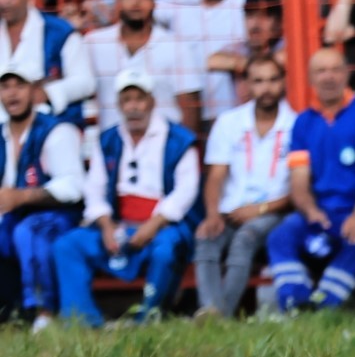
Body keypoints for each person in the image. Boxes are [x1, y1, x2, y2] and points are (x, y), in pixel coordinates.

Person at [53, 70, 201, 328]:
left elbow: (185, 191)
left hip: (162, 223)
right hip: (119, 223)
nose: (133, 107)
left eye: (139, 99)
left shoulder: (178, 139)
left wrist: (153, 225)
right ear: (119, 105)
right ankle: (83, 321)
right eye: (127, 100)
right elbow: (95, 188)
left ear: (152, 101)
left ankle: (150, 316)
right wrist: (107, 225)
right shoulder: (108, 139)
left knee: (166, 250)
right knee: (68, 245)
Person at [264, 48, 355, 312]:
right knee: (280, 237)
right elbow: (299, 181)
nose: (329, 77)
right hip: (324, 212)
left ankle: (327, 306)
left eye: (335, 69)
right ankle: (295, 303)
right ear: (310, 79)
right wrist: (310, 210)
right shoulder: (303, 122)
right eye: (321, 71)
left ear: (347, 73)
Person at [192, 54, 295, 321]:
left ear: (283, 82)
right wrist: (213, 214)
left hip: (274, 212)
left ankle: (220, 318)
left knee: (245, 239)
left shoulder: (296, 124)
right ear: (247, 84)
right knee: (206, 237)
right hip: (230, 210)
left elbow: (299, 189)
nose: (266, 88)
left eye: (273, 80)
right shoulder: (229, 122)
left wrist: (259, 209)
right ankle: (211, 310)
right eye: (258, 81)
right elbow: (215, 176)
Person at [0, 68, 84, 332]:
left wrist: (24, 195)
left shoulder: (57, 130)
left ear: (35, 91)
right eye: (5, 86)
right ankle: (9, 310)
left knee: (30, 232)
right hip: (11, 214)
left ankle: (43, 311)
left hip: (59, 213)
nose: (12, 93)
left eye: (20, 85)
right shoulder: (1, 133)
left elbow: (73, 187)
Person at [84, 0, 204, 130]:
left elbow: (190, 108)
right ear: (118, 2)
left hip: (163, 145)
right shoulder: (93, 43)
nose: (136, 2)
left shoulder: (176, 46)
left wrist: (179, 149)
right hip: (112, 146)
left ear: (153, 3)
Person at [0, 0, 93, 120]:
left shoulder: (59, 31)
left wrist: (47, 93)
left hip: (53, 127)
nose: (4, 1)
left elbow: (86, 83)